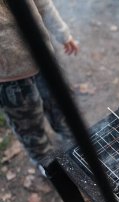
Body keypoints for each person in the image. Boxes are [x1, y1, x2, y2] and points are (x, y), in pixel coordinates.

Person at [0, 0, 79, 166]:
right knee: (28, 125)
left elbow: (43, 4)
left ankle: (71, 139)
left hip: (44, 60)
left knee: (59, 104)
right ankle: (46, 162)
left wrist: (63, 33)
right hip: (9, 78)